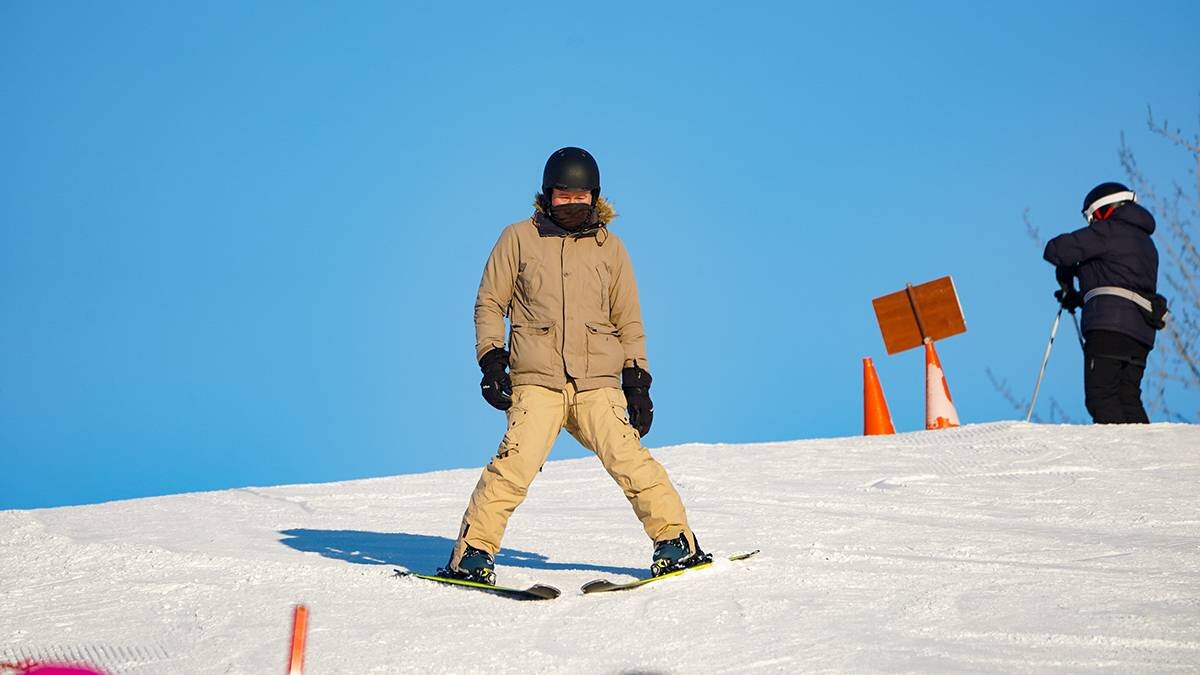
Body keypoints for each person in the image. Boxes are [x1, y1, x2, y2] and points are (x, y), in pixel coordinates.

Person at [439, 147, 707, 585]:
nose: (571, 204)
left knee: (630, 459)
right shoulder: (518, 239)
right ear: (547, 195)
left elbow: (629, 320)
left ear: (594, 197)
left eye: (579, 196)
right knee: (514, 465)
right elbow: (489, 303)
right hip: (536, 380)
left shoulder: (611, 250)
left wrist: (637, 382)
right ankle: (472, 554)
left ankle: (675, 541)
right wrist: (491, 359)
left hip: (597, 382)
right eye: (563, 196)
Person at [1043, 181, 1167, 424]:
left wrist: (1068, 270)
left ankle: (1122, 458)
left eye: (1092, 218)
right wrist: (1077, 293)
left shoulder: (1109, 230)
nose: (1092, 224)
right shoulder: (1145, 243)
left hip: (1110, 326)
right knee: (1128, 398)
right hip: (1140, 331)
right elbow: (1112, 273)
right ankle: (1145, 452)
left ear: (1103, 209)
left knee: (1102, 397)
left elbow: (1056, 249)